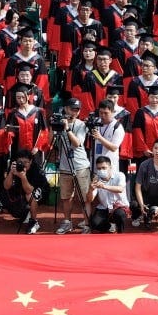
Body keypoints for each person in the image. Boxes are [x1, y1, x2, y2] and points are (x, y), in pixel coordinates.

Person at [54, 97, 94, 234]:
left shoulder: (81, 125)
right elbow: (51, 143)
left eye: (77, 109)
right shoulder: (60, 121)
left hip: (80, 166)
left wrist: (67, 129)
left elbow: (77, 143)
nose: (75, 112)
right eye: (72, 109)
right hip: (64, 166)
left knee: (84, 197)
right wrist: (52, 126)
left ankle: (87, 224)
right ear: (65, 108)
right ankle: (67, 222)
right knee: (66, 197)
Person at [1, 151, 46, 233]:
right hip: (21, 193)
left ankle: (34, 221)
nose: (23, 164)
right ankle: (25, 212)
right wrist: (11, 173)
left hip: (40, 192)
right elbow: (6, 186)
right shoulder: (14, 167)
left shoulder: (36, 170)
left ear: (31, 161)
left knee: (30, 195)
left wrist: (23, 177)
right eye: (20, 162)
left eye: (26, 162)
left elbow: (29, 190)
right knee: (7, 196)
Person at [86, 155, 130, 233]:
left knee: (120, 215)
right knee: (94, 224)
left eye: (104, 168)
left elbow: (120, 189)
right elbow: (90, 199)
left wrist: (104, 186)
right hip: (104, 208)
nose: (101, 170)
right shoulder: (96, 180)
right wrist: (90, 189)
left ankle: (120, 232)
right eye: (99, 169)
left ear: (110, 167)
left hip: (119, 207)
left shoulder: (120, 175)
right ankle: (109, 226)